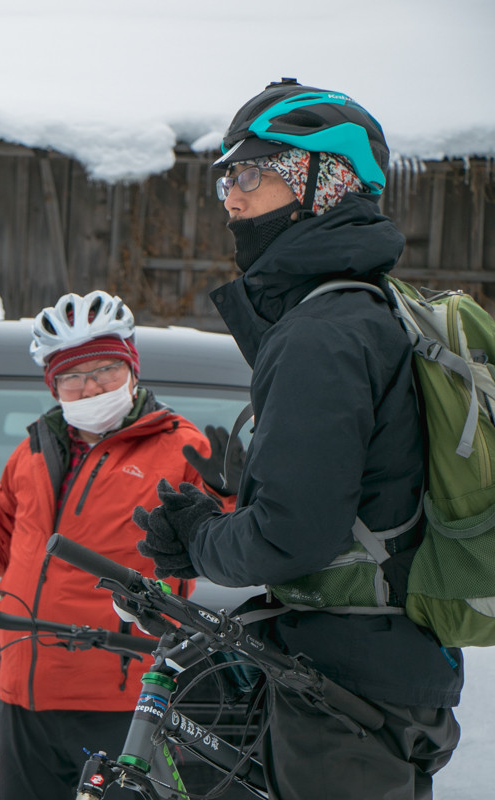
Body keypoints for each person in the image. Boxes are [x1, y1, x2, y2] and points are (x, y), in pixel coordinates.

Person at [132, 78, 463, 799]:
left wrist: (200, 540)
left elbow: (293, 537)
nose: (232, 199)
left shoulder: (323, 332)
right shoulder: (367, 310)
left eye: (252, 173)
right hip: (375, 669)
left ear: (325, 184)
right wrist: (223, 511)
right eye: (226, 179)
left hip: (343, 690)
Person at [0, 290, 238, 800]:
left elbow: (223, 546)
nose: (89, 386)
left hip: (119, 696)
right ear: (52, 384)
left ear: (132, 367)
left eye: (104, 369)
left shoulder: (181, 449)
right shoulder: (34, 451)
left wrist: (231, 497)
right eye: (72, 376)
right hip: (24, 693)